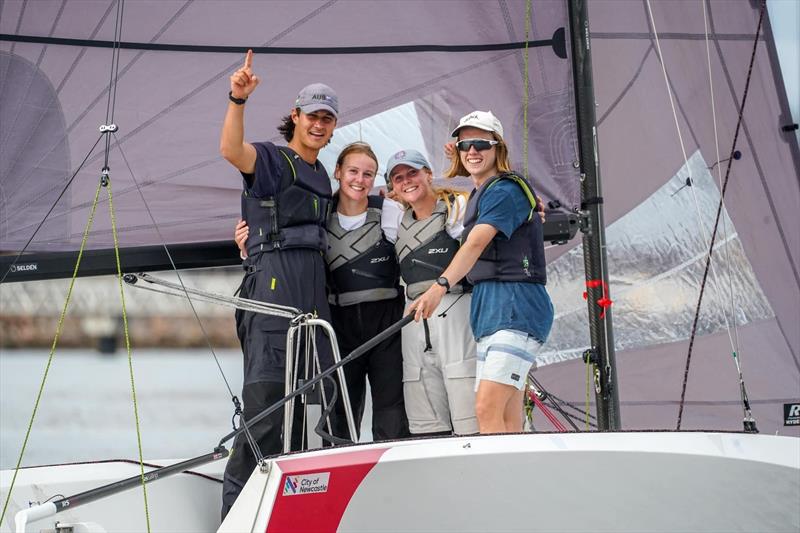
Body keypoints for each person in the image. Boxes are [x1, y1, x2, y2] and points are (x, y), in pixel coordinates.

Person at [219, 49, 340, 518]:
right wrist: (237, 99)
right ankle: (235, 519)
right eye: (312, 116)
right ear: (295, 116)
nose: (319, 124)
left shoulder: (322, 175)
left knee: (316, 409)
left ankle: (290, 515)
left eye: (328, 119)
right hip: (271, 294)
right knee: (265, 416)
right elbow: (232, 151)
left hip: (311, 299)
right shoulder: (274, 160)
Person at [235, 142, 410, 442]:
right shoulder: (319, 212)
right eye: (353, 171)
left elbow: (413, 248)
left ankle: (391, 476)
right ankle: (342, 477)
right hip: (337, 325)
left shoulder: (388, 210)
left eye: (369, 174)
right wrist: (246, 249)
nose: (360, 179)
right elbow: (292, 245)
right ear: (338, 172)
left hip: (386, 324)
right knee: (339, 409)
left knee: (391, 411)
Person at [408, 111, 554, 434]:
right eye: (465, 146)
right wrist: (458, 154)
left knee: (486, 407)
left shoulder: (505, 190)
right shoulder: (479, 192)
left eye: (481, 144)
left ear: (498, 149)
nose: (472, 151)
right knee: (507, 415)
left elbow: (475, 244)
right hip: (490, 311)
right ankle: (516, 481)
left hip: (515, 306)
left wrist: (439, 286)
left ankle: (500, 483)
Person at [387, 149, 479, 436]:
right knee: (424, 413)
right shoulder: (393, 221)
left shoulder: (457, 208)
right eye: (398, 178)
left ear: (428, 173)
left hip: (456, 308)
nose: (407, 181)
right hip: (413, 318)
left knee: (466, 403)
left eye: (413, 173)